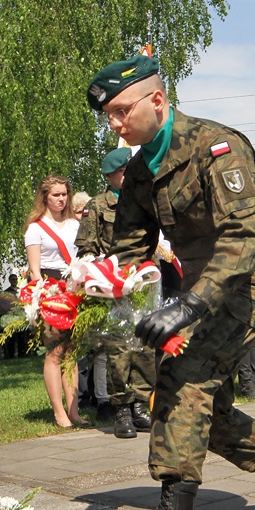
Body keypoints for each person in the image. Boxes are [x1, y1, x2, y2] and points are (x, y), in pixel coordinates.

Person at [88, 55, 255, 510]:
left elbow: (242, 237)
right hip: (203, 284)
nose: (115, 123)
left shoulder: (217, 146)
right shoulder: (140, 169)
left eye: (123, 111)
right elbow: (129, 245)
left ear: (157, 100)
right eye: (109, 116)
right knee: (204, 409)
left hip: (253, 279)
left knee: (183, 382)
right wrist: (96, 290)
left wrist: (190, 304)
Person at [75, 147, 156, 438]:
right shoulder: (98, 205)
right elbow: (86, 248)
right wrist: (99, 275)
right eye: (124, 171)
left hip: (144, 283)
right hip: (114, 287)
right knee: (119, 351)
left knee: (146, 346)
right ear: (113, 175)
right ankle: (121, 409)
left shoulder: (147, 199)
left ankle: (140, 406)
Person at [24, 174, 88, 429]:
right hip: (50, 290)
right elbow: (34, 270)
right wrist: (43, 299)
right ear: (45, 198)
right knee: (54, 351)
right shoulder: (35, 228)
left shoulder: (75, 224)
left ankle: (74, 410)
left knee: (72, 351)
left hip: (75, 287)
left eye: (64, 194)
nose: (61, 199)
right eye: (56, 195)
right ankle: (58, 412)